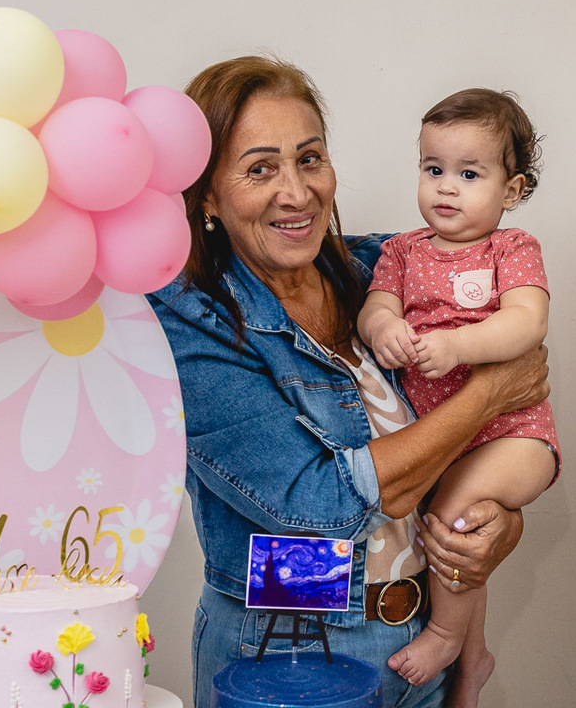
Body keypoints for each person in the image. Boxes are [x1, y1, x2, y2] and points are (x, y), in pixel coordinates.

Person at [147, 56, 550, 708]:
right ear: (208, 196)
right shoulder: (196, 317)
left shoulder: (382, 269)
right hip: (290, 648)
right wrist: (489, 395)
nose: (296, 192)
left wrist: (499, 524)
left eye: (309, 159)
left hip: (422, 641)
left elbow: (489, 427)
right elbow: (322, 507)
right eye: (259, 169)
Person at [358, 88, 560, 706]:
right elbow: (376, 306)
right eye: (433, 169)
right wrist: (383, 328)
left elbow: (528, 322)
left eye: (469, 174)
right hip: (444, 438)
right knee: (464, 542)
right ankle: (474, 662)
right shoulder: (401, 250)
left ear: (512, 189)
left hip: (514, 436)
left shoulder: (511, 249)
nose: (447, 187)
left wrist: (459, 345)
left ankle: (445, 635)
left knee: (451, 513)